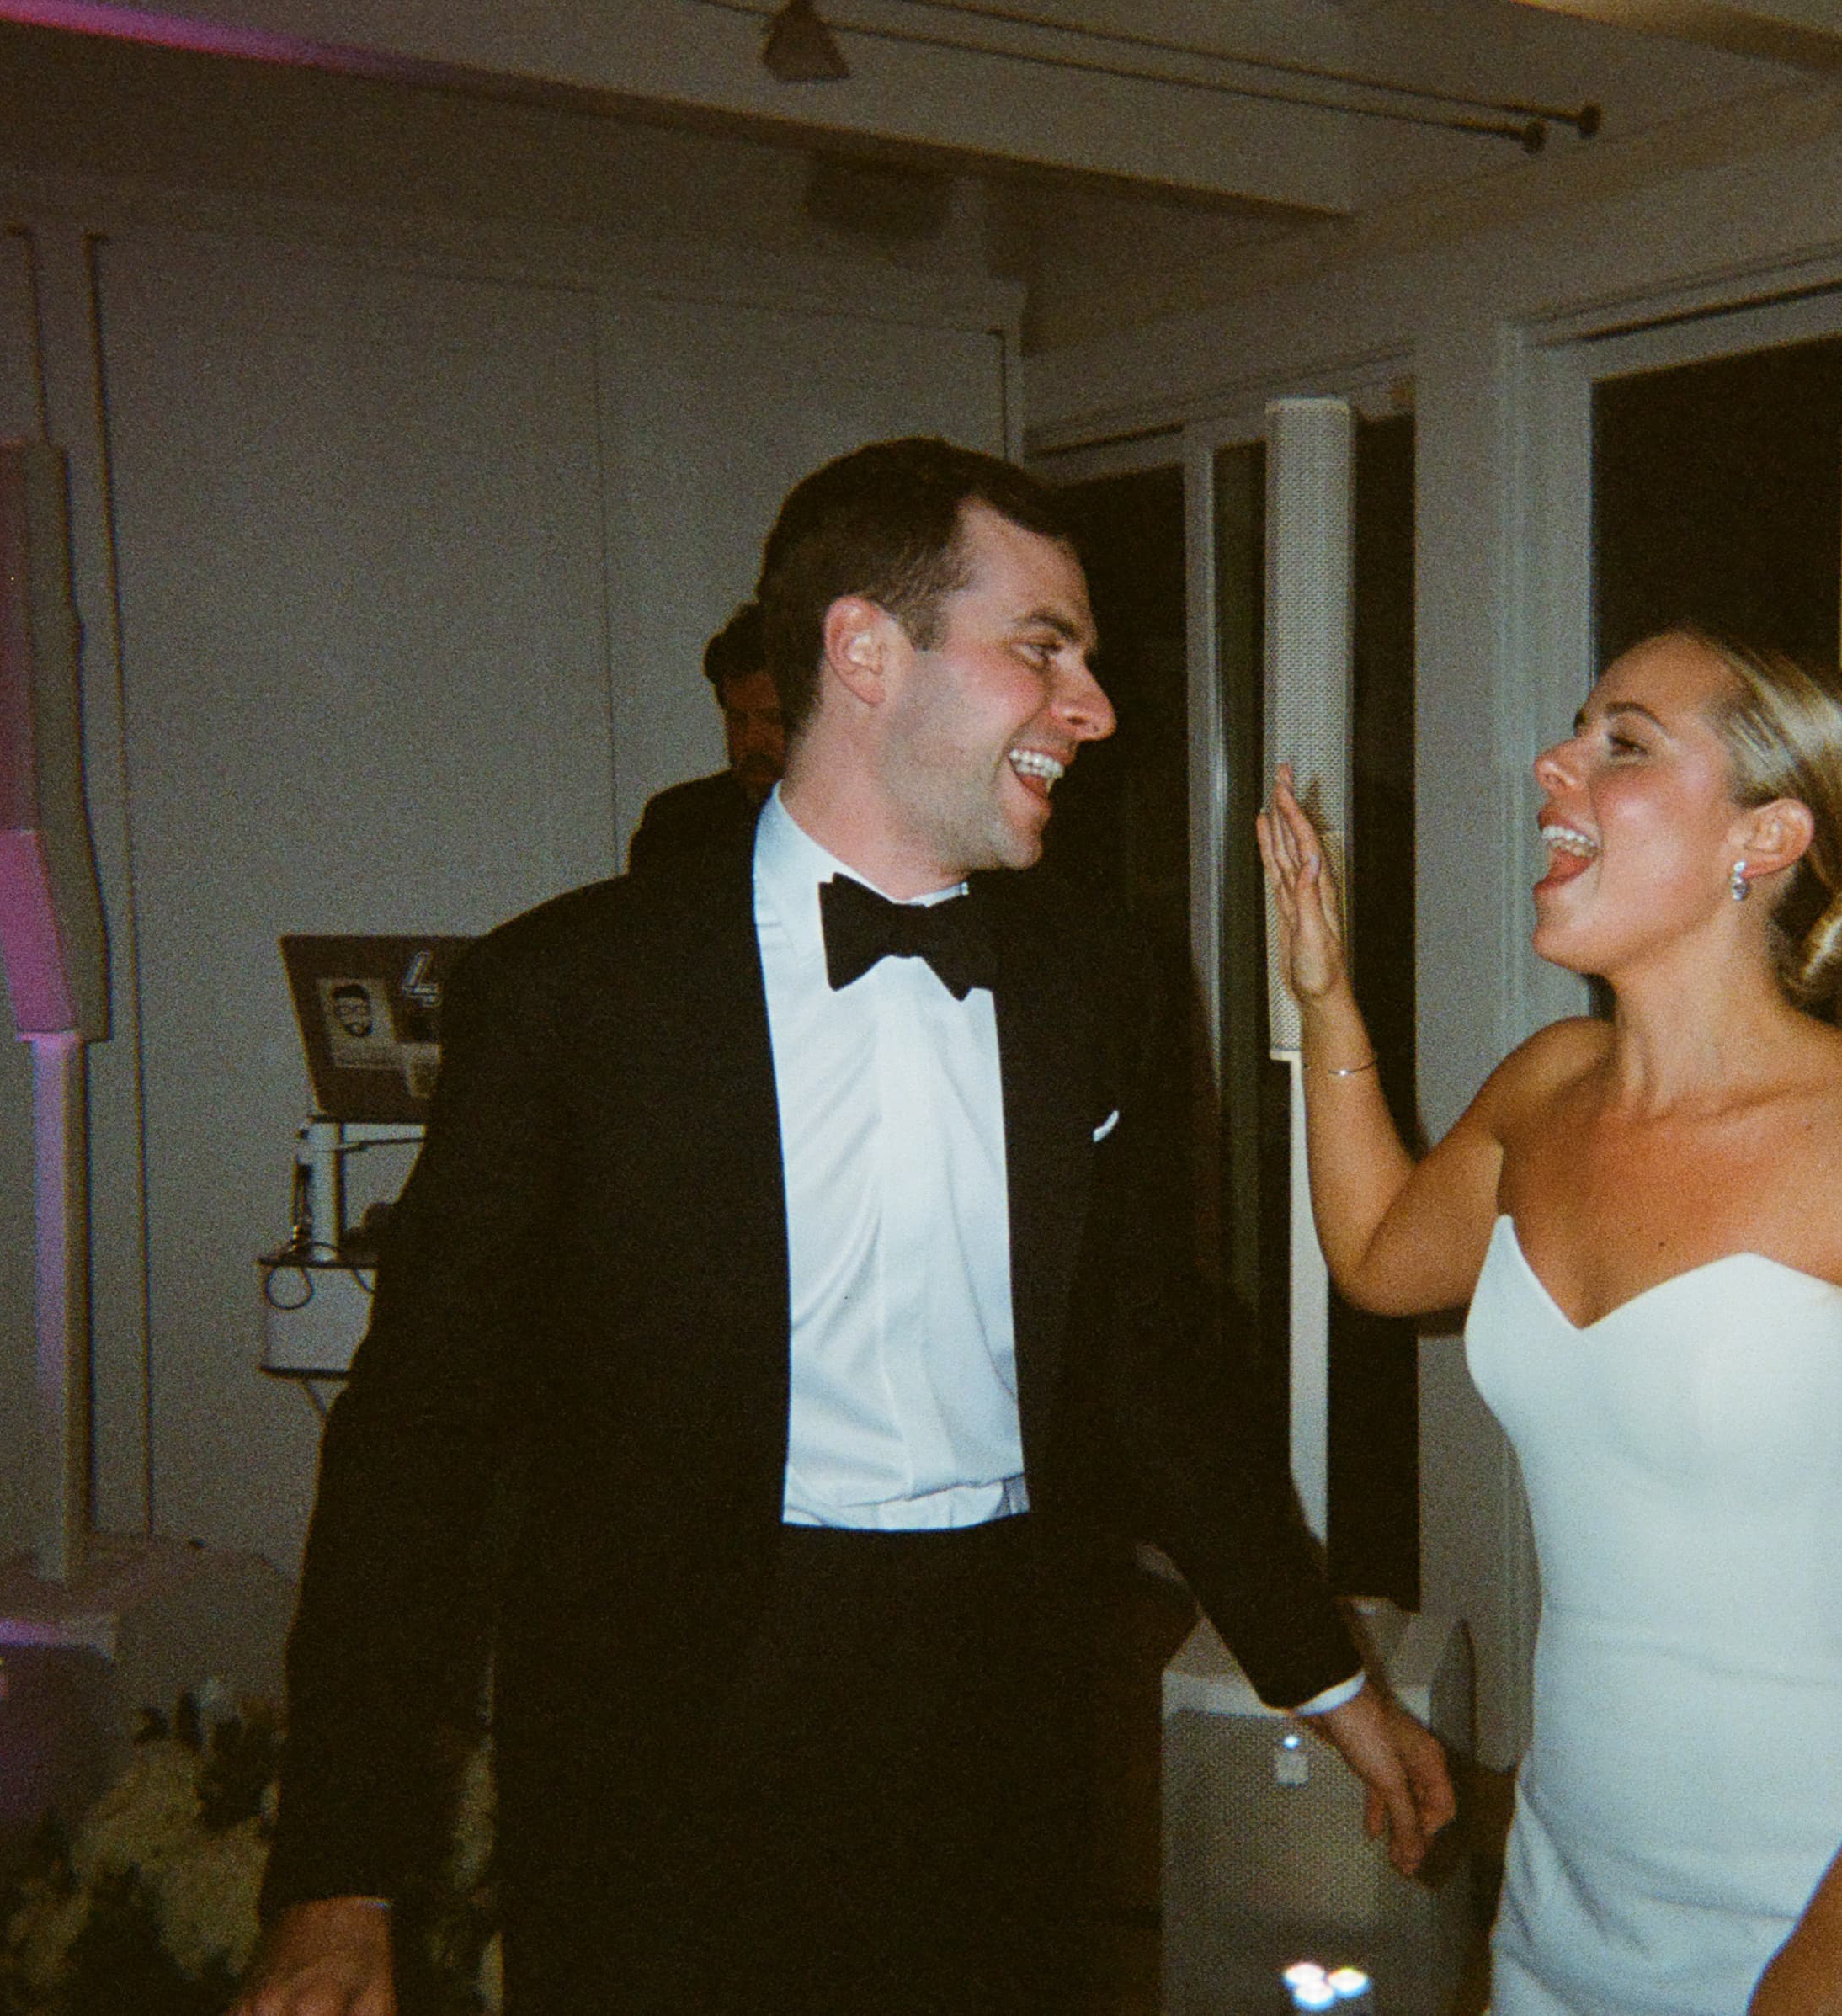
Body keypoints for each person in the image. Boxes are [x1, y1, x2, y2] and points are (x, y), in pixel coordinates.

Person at [235, 438, 1452, 2016]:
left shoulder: (1102, 981)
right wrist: (340, 1863)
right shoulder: (571, 995)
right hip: (662, 1722)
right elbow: (418, 1438)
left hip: (999, 1695)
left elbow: (1149, 1361)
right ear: (864, 652)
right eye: (1043, 649)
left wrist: (1325, 1673)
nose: (1092, 708)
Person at [1257, 628, 1842, 2016]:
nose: (1553, 763)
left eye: (1622, 742)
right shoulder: (1546, 1086)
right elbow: (1382, 1261)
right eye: (1574, 729)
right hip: (1573, 1885)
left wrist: (1837, 1949)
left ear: (1761, 837)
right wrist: (1321, 995)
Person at [627, 602, 782, 873]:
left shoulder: (859, 820)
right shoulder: (678, 825)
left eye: (773, 720)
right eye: (737, 719)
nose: (752, 740)